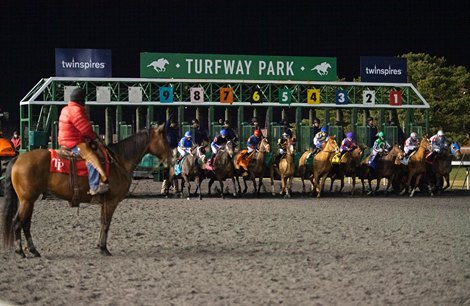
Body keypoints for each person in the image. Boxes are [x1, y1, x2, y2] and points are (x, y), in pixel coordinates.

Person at [58, 87, 108, 195]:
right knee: (92, 159)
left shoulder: (65, 109)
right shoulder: (76, 110)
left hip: (65, 141)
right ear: (81, 100)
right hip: (74, 143)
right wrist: (95, 137)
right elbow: (85, 129)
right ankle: (94, 187)